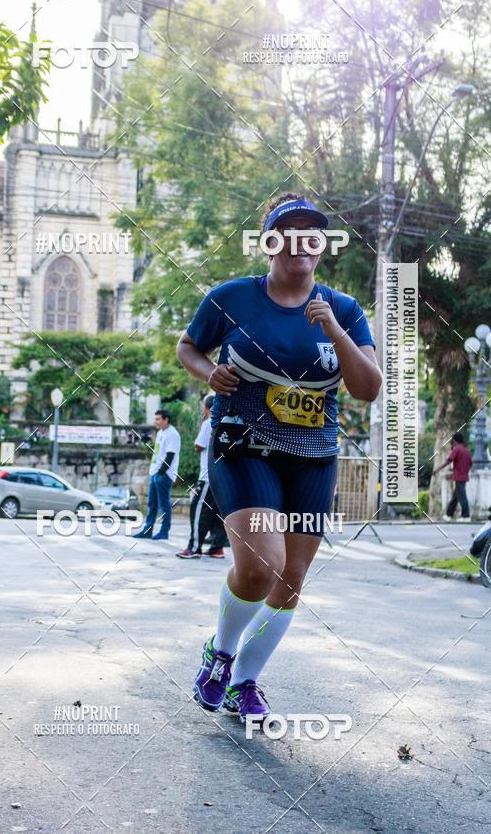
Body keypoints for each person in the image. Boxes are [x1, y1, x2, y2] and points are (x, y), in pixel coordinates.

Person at [176, 192, 382, 724]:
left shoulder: (345, 310)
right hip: (244, 446)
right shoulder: (232, 298)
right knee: (262, 564)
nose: (299, 243)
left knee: (291, 578)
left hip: (313, 455)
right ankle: (219, 654)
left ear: (320, 247)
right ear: (270, 242)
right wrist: (208, 373)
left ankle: (245, 681)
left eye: (310, 233)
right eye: (287, 232)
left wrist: (333, 330)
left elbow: (368, 388)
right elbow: (188, 347)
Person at [177, 395, 228, 559]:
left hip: (207, 476)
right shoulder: (226, 422)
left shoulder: (208, 423)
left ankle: (194, 547)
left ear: (207, 408)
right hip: (223, 477)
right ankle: (217, 547)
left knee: (197, 510)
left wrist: (202, 422)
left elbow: (199, 446)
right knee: (217, 513)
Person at [133, 409, 181, 540]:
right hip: (154, 472)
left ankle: (164, 531)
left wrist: (161, 472)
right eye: (155, 419)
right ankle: (147, 530)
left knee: (164, 504)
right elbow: (160, 451)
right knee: (151, 503)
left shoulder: (172, 434)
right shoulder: (161, 432)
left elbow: (171, 455)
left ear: (166, 420)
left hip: (164, 475)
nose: (156, 422)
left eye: (158, 419)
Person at [431, 432, 473, 521]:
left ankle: (466, 516)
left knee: (462, 497)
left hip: (458, 476)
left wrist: (437, 469)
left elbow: (448, 461)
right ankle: (448, 515)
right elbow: (470, 464)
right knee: (456, 497)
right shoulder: (466, 451)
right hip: (464, 476)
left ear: (454, 441)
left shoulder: (456, 449)